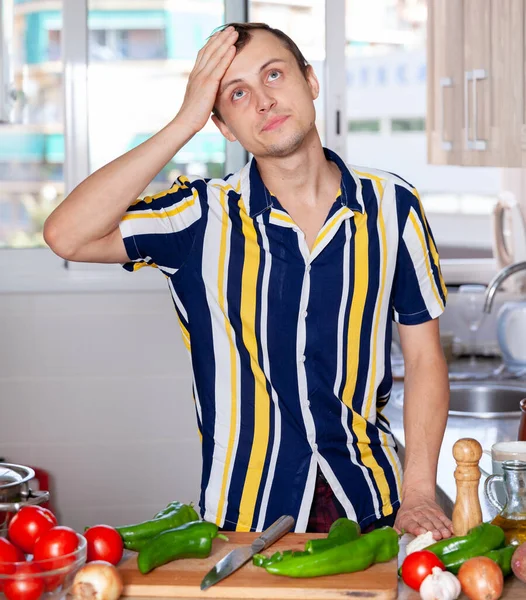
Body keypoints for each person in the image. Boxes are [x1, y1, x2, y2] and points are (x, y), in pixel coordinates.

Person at [44, 22, 453, 539]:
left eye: (274, 75)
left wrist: (418, 493)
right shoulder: (197, 217)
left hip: (371, 502)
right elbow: (66, 235)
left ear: (310, 80)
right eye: (237, 94)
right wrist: (183, 123)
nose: (263, 101)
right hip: (244, 520)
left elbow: (423, 358)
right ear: (225, 127)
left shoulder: (394, 207)